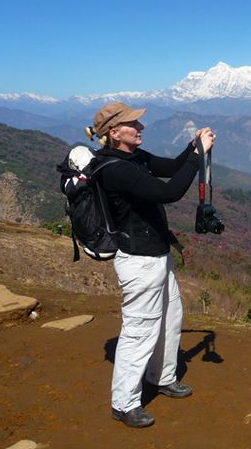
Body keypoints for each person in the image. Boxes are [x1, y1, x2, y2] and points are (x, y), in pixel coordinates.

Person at [88, 101, 216, 428]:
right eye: (135, 124)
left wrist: (191, 147)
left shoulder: (133, 157)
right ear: (115, 133)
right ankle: (124, 402)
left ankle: (162, 376)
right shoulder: (116, 169)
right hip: (139, 262)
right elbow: (170, 192)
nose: (141, 128)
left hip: (157, 255)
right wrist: (199, 154)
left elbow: (172, 167)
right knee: (139, 331)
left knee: (171, 316)